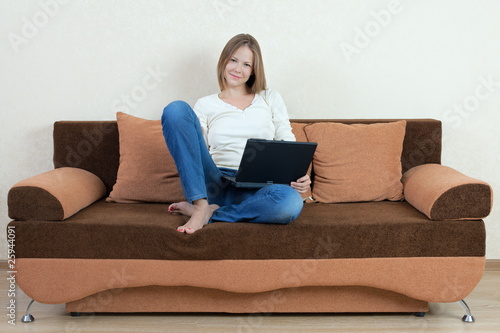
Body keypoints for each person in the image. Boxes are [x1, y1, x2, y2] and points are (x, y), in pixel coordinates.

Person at [161, 33, 311, 234]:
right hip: (215, 182)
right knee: (176, 109)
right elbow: (195, 151)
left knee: (289, 203)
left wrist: (301, 178)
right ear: (224, 61)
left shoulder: (270, 98)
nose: (238, 69)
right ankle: (200, 204)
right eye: (233, 60)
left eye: (246, 65)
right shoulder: (205, 104)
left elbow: (288, 145)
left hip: (259, 189)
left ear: (254, 71)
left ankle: (210, 214)